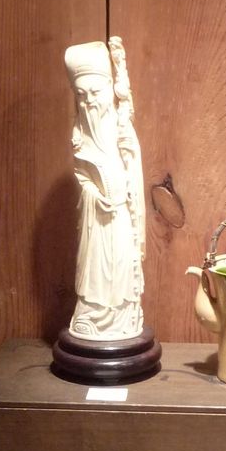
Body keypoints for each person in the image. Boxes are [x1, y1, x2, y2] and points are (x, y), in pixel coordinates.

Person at [64, 39, 145, 339]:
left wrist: (124, 187)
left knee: (121, 265)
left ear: (109, 89)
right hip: (96, 217)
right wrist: (93, 195)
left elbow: (132, 167)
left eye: (95, 93)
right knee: (95, 268)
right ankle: (92, 317)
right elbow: (82, 176)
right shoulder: (81, 134)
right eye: (81, 95)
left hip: (120, 212)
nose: (88, 101)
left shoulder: (121, 127)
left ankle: (122, 317)